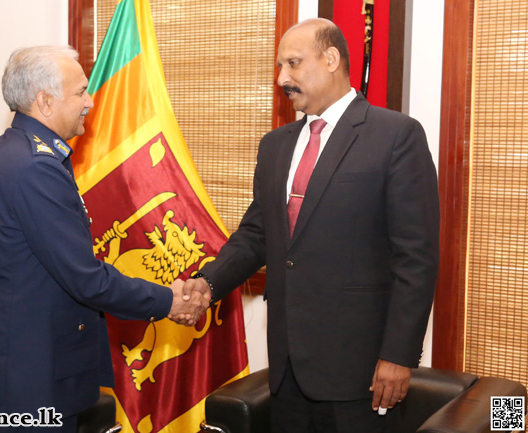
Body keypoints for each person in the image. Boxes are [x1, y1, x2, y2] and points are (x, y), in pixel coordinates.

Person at [182, 19, 440, 432]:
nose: (282, 77)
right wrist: (207, 284)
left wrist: (399, 355)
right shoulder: (275, 145)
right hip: (286, 368)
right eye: (280, 66)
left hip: (360, 370)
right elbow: (257, 235)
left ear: (332, 58)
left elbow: (417, 258)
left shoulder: (395, 136)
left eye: (294, 64)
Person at [0, 45, 206, 432]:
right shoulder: (35, 168)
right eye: (80, 92)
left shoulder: (6, 152)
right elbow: (85, 278)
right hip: (30, 375)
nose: (90, 102)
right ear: (44, 101)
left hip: (12, 356)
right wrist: (168, 301)